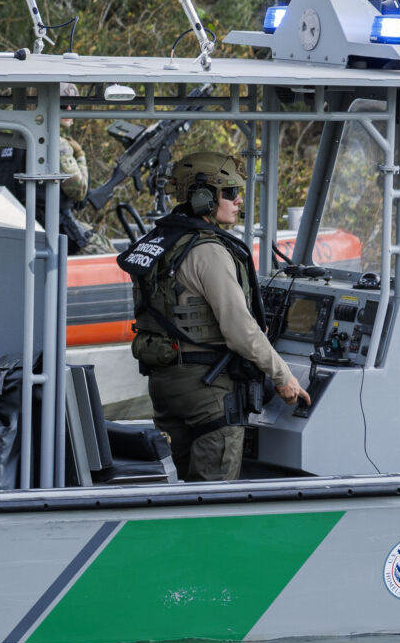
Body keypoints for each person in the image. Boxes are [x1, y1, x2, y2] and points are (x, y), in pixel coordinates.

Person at [122, 149, 309, 481]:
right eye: (231, 192)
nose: (238, 201)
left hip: (165, 384)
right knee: (213, 495)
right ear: (204, 197)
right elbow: (240, 330)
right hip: (206, 388)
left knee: (182, 486)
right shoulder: (207, 250)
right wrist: (283, 377)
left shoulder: (162, 241)